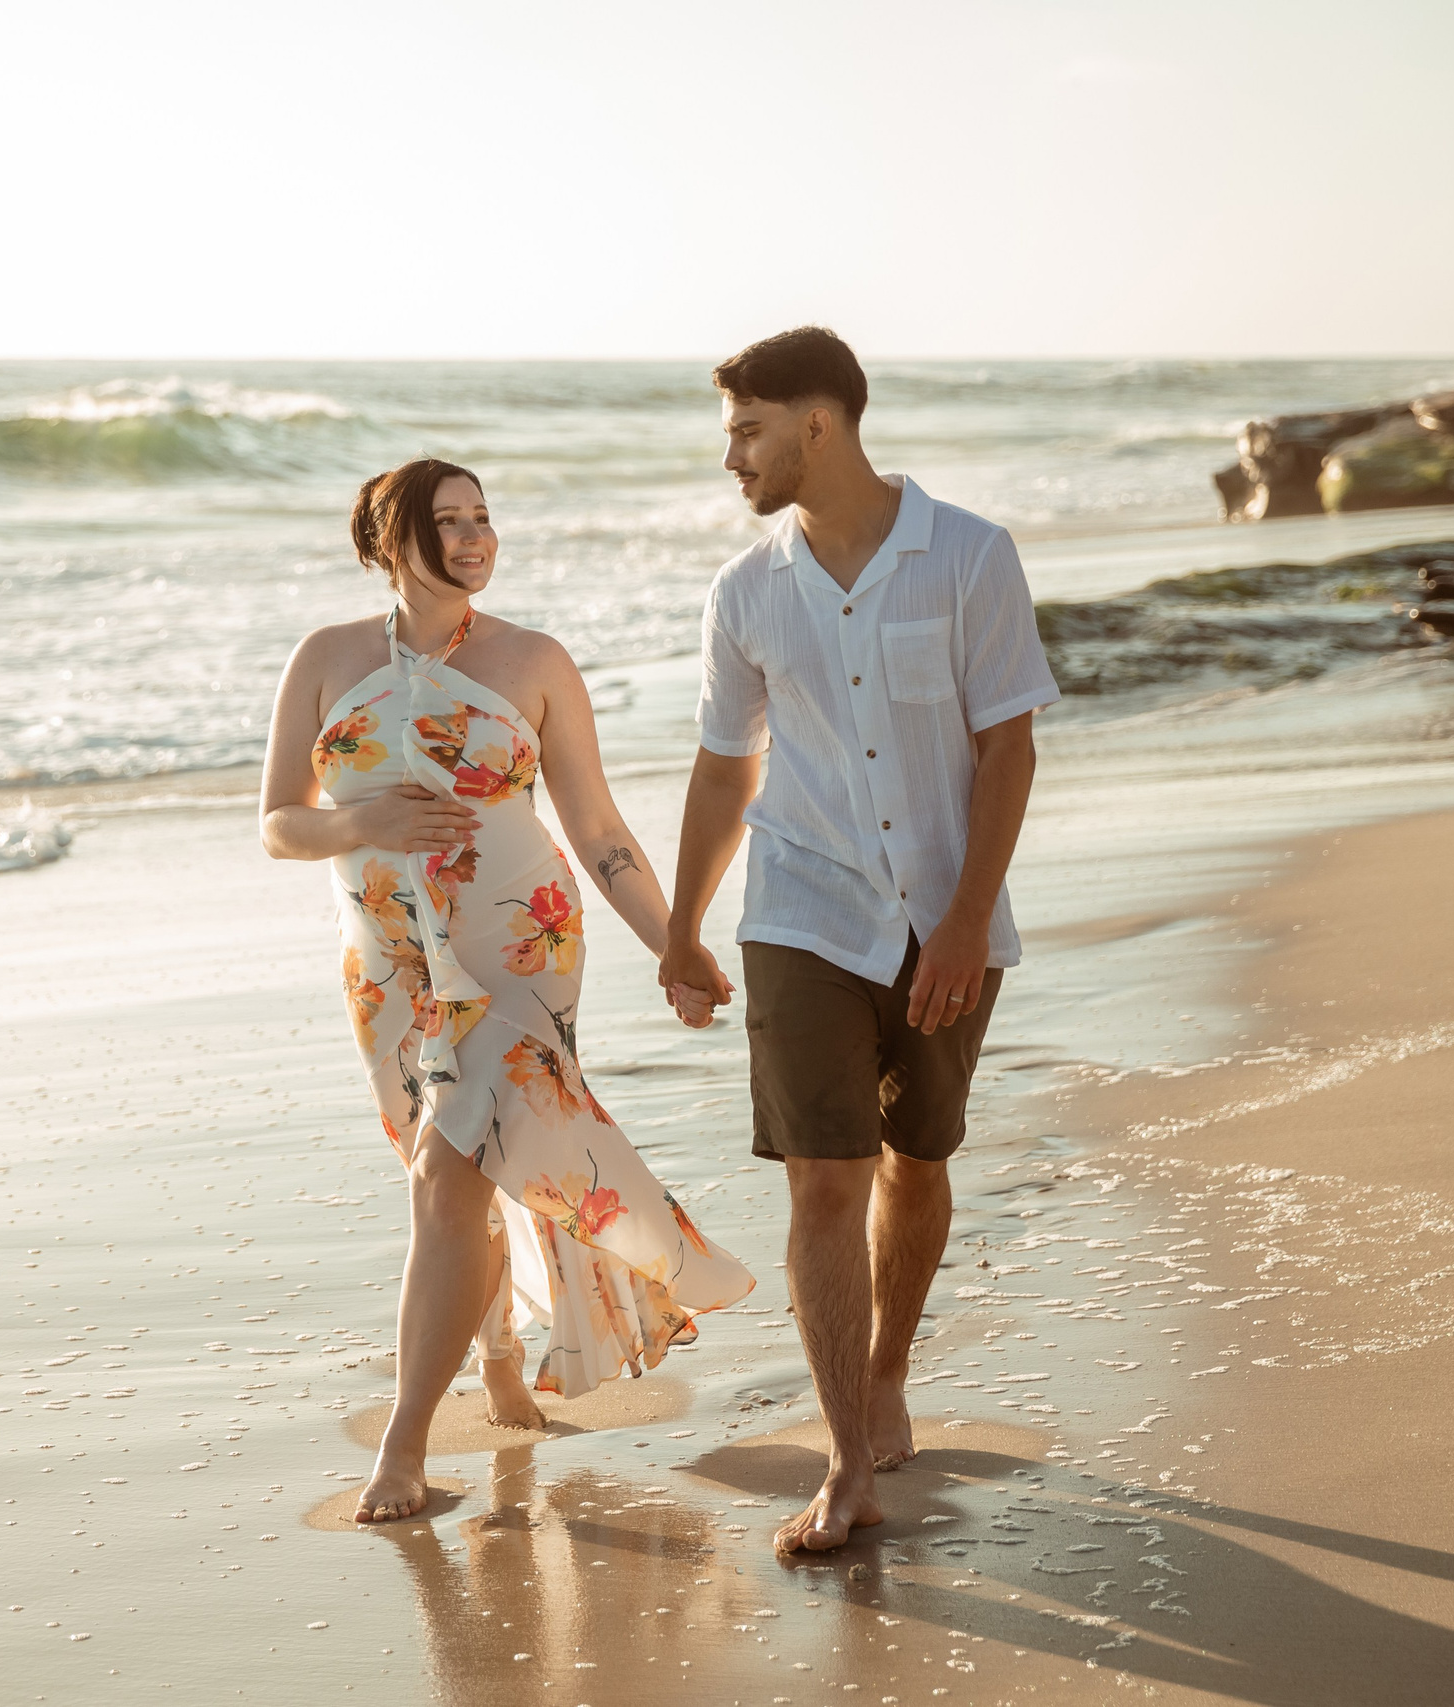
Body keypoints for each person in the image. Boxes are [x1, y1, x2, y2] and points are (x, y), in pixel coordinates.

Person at [260, 457, 754, 1525]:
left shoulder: (533, 660)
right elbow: (277, 824)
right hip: (388, 958)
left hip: (518, 949)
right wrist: (361, 824)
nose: (476, 537)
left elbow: (596, 826)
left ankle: (403, 1445)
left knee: (449, 1170)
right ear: (389, 539)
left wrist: (674, 942)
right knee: (443, 1174)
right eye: (448, 521)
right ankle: (492, 1354)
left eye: (483, 518)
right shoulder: (324, 658)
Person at [657, 327, 1061, 1554]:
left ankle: (888, 1367)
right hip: (801, 911)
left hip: (947, 914)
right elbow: (727, 772)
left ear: (815, 425)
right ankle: (844, 1462)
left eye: (747, 430)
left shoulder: (969, 558)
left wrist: (957, 922)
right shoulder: (745, 590)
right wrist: (679, 927)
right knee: (823, 1180)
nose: (731, 456)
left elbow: (1008, 748)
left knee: (916, 1160)